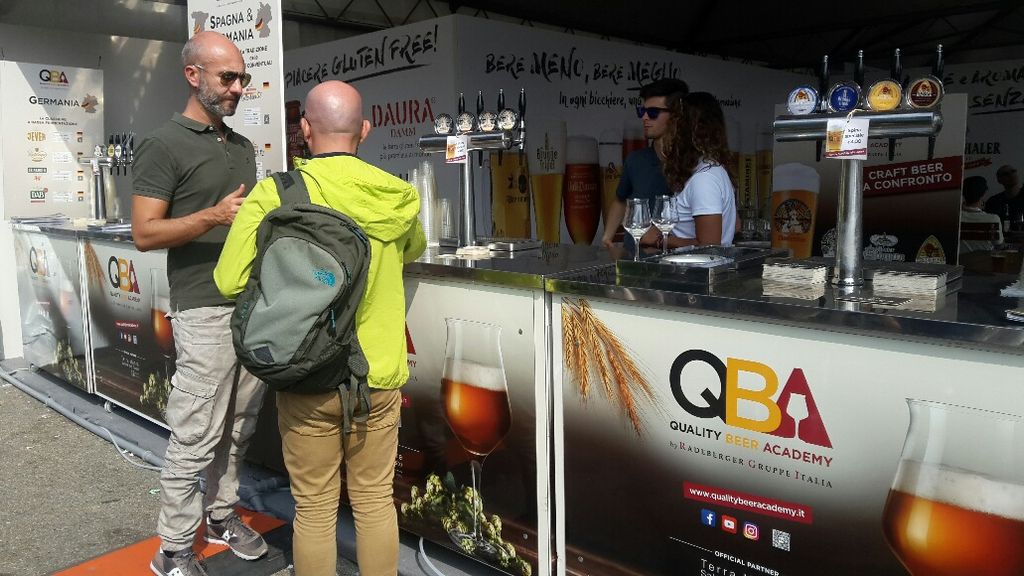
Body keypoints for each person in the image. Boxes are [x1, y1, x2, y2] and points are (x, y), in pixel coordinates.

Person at [213, 80, 426, 576]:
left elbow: (228, 280)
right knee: (374, 501)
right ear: (365, 130)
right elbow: (413, 250)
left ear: (305, 130)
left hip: (307, 372)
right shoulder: (397, 196)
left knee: (313, 507)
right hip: (377, 376)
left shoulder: (277, 193)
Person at [131, 31, 268, 576]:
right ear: (193, 75)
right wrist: (213, 216)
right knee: (196, 433)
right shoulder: (162, 143)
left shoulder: (242, 146)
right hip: (202, 309)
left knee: (239, 425)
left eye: (242, 78)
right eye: (227, 77)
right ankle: (173, 548)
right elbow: (145, 233)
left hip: (251, 307)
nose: (238, 87)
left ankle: (221, 515)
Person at [601, 77, 689, 251]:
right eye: (642, 111)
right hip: (633, 258)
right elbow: (620, 200)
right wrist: (607, 238)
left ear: (676, 115)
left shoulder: (692, 164)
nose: (645, 117)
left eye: (653, 112)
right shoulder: (635, 160)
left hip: (672, 261)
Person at [642, 91, 737, 249]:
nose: (668, 132)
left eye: (673, 124)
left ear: (683, 131)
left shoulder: (704, 179)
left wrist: (659, 240)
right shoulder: (706, 170)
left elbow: (709, 246)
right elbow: (736, 225)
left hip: (695, 266)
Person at [960, 175, 1003, 253]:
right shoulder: (993, 219)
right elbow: (999, 244)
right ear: (984, 193)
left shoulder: (953, 217)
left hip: (960, 260)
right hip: (985, 260)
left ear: (963, 193)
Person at [984, 164, 1023, 229]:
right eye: (1006, 174)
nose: (1011, 175)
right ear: (999, 180)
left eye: (1013, 171)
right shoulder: (993, 202)